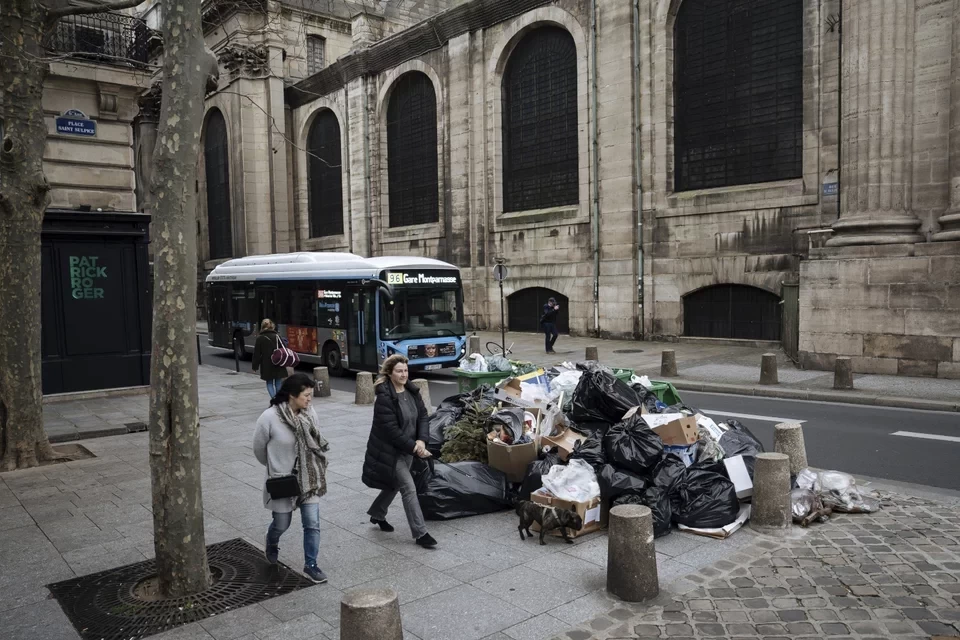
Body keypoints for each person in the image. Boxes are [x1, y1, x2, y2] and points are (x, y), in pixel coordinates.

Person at [253, 373, 330, 583]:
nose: (309, 399)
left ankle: (311, 565)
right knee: (282, 524)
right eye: (306, 395)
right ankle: (271, 541)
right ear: (292, 395)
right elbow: (259, 450)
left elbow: (315, 440)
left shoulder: (310, 413)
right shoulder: (269, 417)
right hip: (282, 480)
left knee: (312, 523)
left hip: (309, 477)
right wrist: (276, 468)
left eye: (310, 395)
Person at [361, 355, 437, 548]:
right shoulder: (385, 397)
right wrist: (415, 448)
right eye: (399, 371)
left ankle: (377, 514)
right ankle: (421, 534)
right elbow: (391, 431)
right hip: (390, 450)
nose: (403, 375)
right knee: (408, 488)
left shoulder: (412, 391)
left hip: (410, 448)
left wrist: (421, 440)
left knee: (394, 484)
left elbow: (423, 416)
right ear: (390, 373)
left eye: (405, 370)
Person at [252, 319, 288, 398]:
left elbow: (256, 354)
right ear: (272, 326)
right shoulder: (277, 336)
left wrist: (255, 367)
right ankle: (278, 400)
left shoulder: (260, 338)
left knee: (269, 383)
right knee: (278, 382)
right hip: (278, 362)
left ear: (262, 326)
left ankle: (274, 399)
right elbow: (284, 348)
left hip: (266, 364)